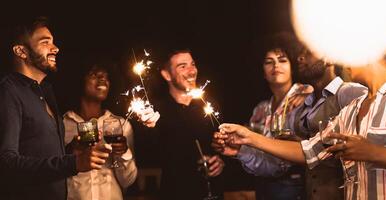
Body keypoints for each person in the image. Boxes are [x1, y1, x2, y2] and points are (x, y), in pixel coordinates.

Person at [217, 55, 386, 199]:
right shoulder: (352, 109)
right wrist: (248, 137)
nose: (343, 57)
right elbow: (309, 151)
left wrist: (373, 152)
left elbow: (367, 152)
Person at [0, 17, 110, 200]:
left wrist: (71, 150)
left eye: (53, 41)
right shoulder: (8, 91)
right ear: (21, 51)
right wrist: (73, 163)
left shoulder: (44, 92)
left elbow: (38, 152)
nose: (55, 48)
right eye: (45, 42)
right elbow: (6, 162)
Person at [214, 33, 312, 200]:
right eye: (269, 62)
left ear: (292, 66)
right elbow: (260, 158)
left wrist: (311, 92)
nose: (276, 66)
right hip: (264, 187)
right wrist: (238, 150)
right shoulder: (260, 109)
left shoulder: (308, 96)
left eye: (282, 60)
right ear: (262, 71)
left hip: (297, 188)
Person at [63, 60, 159, 199]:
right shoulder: (63, 123)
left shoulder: (121, 125)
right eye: (95, 74)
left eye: (106, 76)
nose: (103, 79)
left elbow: (128, 181)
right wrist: (71, 152)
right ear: (80, 79)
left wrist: (123, 153)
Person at [155, 48, 224, 199]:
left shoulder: (210, 105)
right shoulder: (155, 113)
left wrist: (221, 161)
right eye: (183, 66)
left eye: (193, 64)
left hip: (211, 193)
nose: (192, 71)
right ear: (166, 74)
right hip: (175, 194)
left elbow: (223, 146)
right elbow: (153, 155)